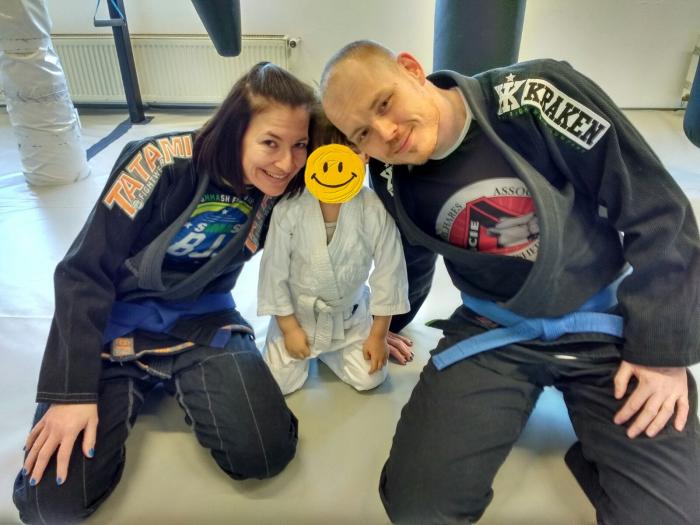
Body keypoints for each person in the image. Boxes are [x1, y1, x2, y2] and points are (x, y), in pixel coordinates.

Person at [320, 40, 700, 524]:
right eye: (363, 133)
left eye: (384, 103)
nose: (386, 133)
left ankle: (608, 456)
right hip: (493, 330)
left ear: (412, 69)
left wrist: (661, 354)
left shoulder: (536, 97)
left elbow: (659, 211)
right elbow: (410, 258)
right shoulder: (391, 175)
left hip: (603, 324)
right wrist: (387, 324)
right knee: (417, 508)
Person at [13, 62, 317, 524]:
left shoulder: (281, 188)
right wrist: (71, 393)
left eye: (299, 145)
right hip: (116, 321)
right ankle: (125, 379)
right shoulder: (159, 161)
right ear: (235, 130)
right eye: (270, 143)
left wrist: (376, 321)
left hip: (203, 320)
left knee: (264, 453)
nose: (287, 163)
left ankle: (180, 375)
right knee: (50, 503)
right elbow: (83, 271)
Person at [257, 116, 410, 394]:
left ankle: (333, 352)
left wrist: (378, 334)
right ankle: (285, 333)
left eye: (350, 150)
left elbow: (390, 271)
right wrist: (289, 328)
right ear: (309, 158)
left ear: (365, 154)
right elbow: (273, 271)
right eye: (326, 153)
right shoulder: (290, 208)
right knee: (278, 384)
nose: (337, 165)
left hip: (348, 317)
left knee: (370, 378)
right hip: (298, 315)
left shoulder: (372, 208)